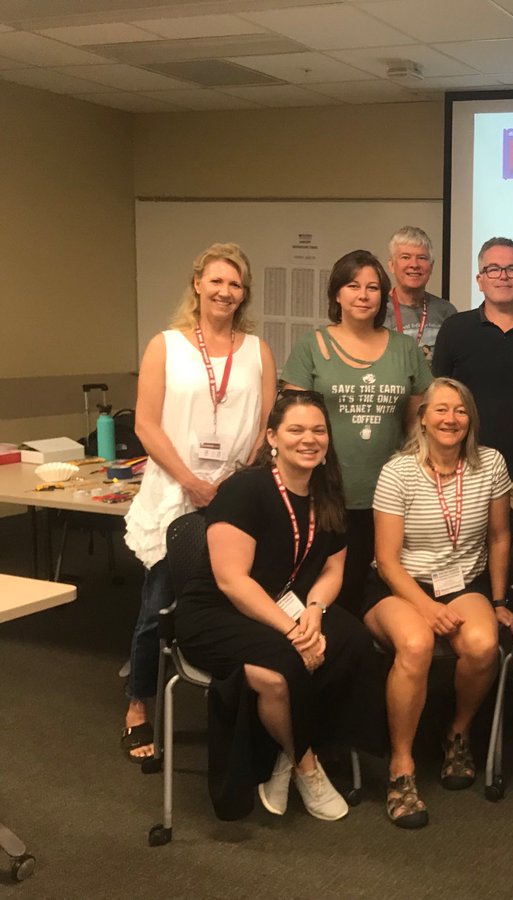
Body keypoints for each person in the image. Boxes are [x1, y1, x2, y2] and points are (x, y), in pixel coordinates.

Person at [175, 391, 374, 821]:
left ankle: (283, 752)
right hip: (217, 611)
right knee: (282, 667)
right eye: (296, 430)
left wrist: (315, 611)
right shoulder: (245, 489)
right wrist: (292, 630)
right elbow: (231, 581)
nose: (309, 439)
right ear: (272, 437)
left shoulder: (327, 491)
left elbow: (333, 569)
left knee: (352, 640)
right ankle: (305, 764)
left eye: (318, 430)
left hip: (288, 605)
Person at [121, 242, 275, 764]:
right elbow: (145, 423)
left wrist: (235, 482)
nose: (225, 291)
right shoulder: (166, 345)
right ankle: (138, 704)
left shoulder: (257, 351)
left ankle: (241, 705)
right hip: (174, 495)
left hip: (234, 499)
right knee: (156, 606)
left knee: (238, 602)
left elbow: (265, 428)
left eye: (234, 284)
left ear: (243, 294)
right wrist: (191, 480)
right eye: (216, 281)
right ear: (197, 285)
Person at [365, 377, 513, 828]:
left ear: (471, 419)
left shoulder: (490, 464)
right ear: (423, 418)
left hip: (463, 582)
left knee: (484, 645)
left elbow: (499, 536)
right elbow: (387, 562)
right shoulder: (398, 471)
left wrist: (500, 598)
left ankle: (458, 733)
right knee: (415, 645)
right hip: (400, 586)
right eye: (441, 410)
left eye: (461, 410)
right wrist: (427, 609)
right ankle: (402, 766)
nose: (451, 419)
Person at [280, 249, 431, 615]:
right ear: (337, 294)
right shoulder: (311, 346)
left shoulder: (404, 348)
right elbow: (291, 425)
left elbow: (416, 427)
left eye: (373, 287)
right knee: (325, 590)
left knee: (375, 593)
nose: (363, 295)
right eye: (353, 286)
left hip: (388, 495)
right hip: (324, 491)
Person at [432, 237, 513, 513]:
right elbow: (436, 401)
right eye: (493, 269)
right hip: (465, 470)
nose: (503, 276)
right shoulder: (455, 329)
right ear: (480, 279)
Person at [383, 226, 457, 360]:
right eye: (405, 257)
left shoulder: (446, 311)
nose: (414, 264)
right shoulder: (378, 310)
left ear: (431, 266)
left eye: (422, 258)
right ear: (392, 265)